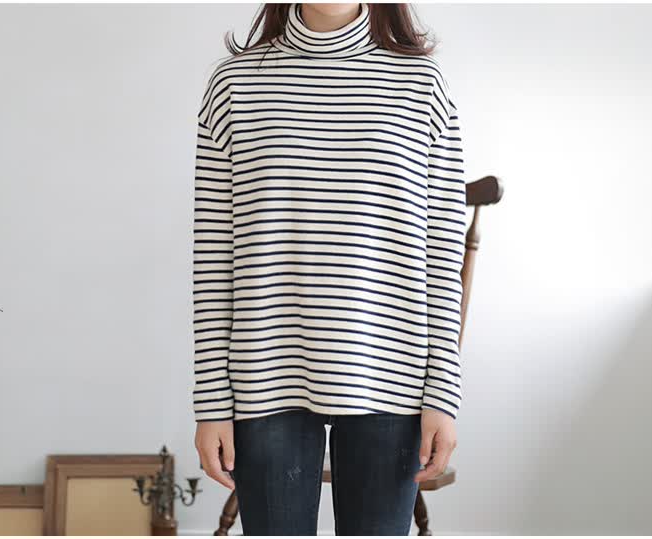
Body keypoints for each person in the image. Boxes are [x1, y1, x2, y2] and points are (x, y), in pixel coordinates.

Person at [192, 3, 465, 535]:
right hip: (264, 373)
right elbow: (213, 258)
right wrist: (211, 404)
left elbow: (442, 258)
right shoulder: (234, 86)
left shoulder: (423, 85)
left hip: (393, 374)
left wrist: (443, 396)